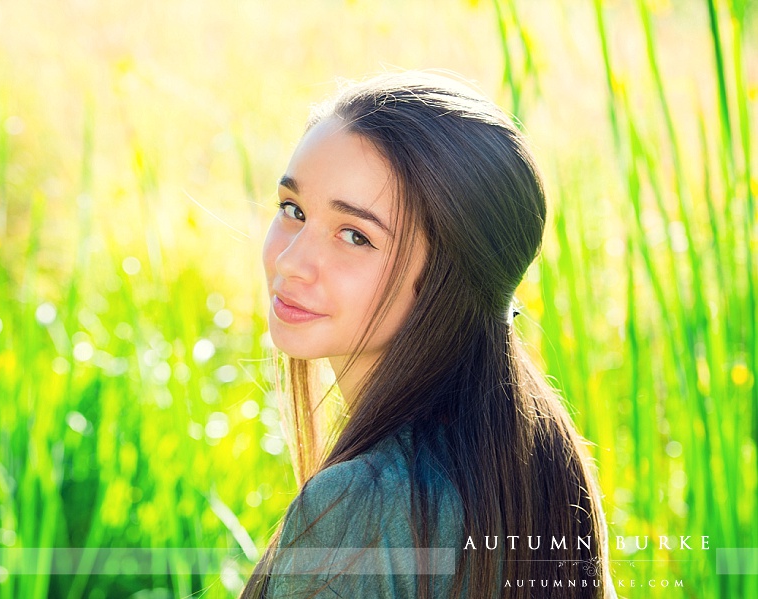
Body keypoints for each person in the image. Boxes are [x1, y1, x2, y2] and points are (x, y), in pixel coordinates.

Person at [240, 71, 616, 599]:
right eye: (293, 210)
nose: (290, 260)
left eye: (355, 235)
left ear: (448, 277)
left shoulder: (362, 505)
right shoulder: (538, 461)